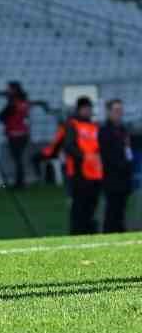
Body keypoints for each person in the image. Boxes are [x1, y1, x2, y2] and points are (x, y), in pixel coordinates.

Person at [44, 96, 104, 235]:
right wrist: (84, 157)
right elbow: (68, 146)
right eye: (85, 108)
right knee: (78, 205)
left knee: (92, 204)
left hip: (95, 172)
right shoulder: (72, 125)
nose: (88, 111)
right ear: (79, 109)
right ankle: (77, 232)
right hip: (78, 172)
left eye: (90, 108)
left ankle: (90, 230)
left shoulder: (94, 126)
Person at [99, 99, 132, 234]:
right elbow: (106, 154)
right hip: (111, 175)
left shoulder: (123, 129)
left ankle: (120, 231)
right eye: (116, 110)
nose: (119, 113)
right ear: (109, 112)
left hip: (124, 175)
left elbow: (127, 149)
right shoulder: (105, 131)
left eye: (120, 110)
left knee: (121, 207)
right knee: (112, 208)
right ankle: (109, 233)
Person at [0, 82, 32, 189]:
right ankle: (20, 181)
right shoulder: (24, 102)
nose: (7, 91)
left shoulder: (13, 103)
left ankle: (20, 182)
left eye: (9, 89)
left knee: (17, 159)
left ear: (14, 90)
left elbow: (1, 116)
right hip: (24, 133)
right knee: (19, 158)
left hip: (14, 133)